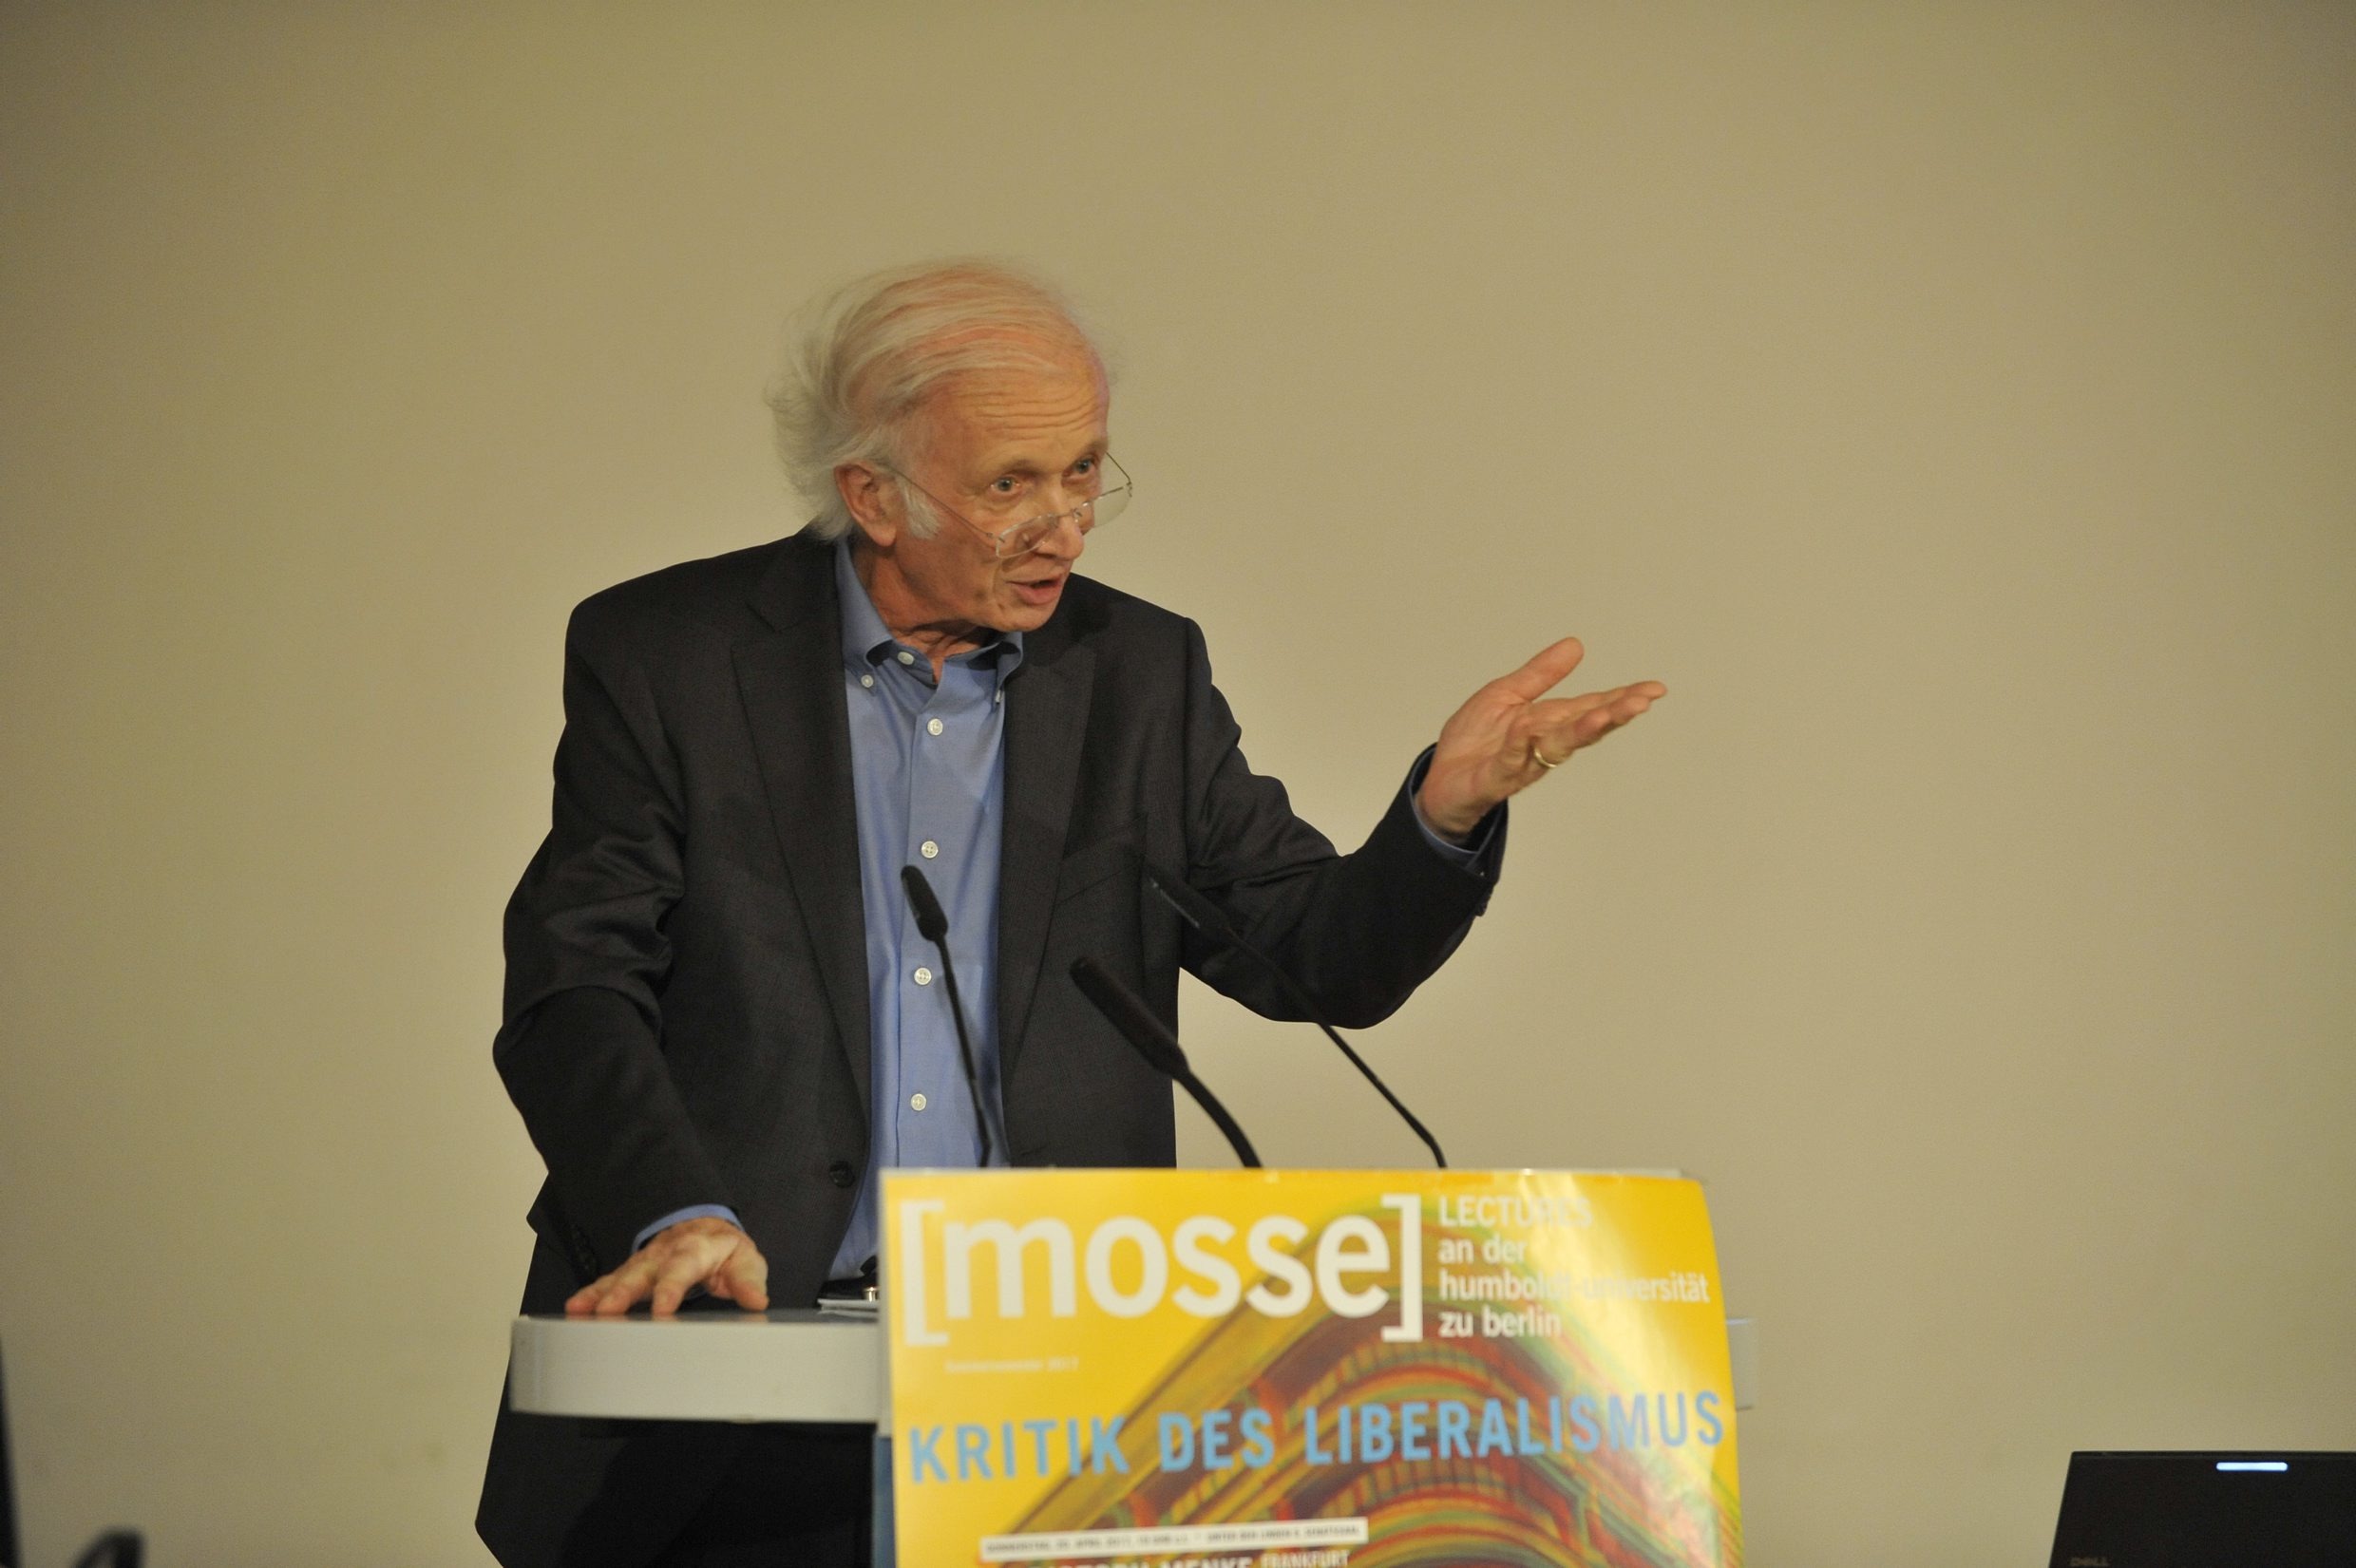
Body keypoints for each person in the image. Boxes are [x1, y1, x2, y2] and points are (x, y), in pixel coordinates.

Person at [476, 259, 1663, 1568]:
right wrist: (673, 1212)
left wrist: (1443, 814)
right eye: (1010, 485)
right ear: (872, 495)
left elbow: (1309, 955)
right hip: (727, 1385)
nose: (1067, 528)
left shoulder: (1138, 673)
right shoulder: (672, 655)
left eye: (1085, 470)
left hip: (1046, 1405)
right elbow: (574, 983)